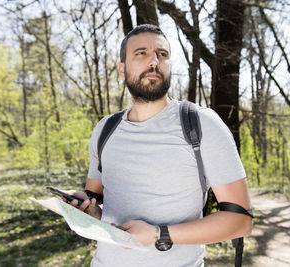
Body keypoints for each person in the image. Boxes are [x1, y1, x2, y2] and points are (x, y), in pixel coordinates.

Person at [64, 24, 252, 267]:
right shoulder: (105, 129)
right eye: (141, 53)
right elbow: (97, 202)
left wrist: (159, 234)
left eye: (162, 54)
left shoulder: (202, 124)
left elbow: (240, 221)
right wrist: (87, 209)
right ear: (122, 69)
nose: (154, 60)